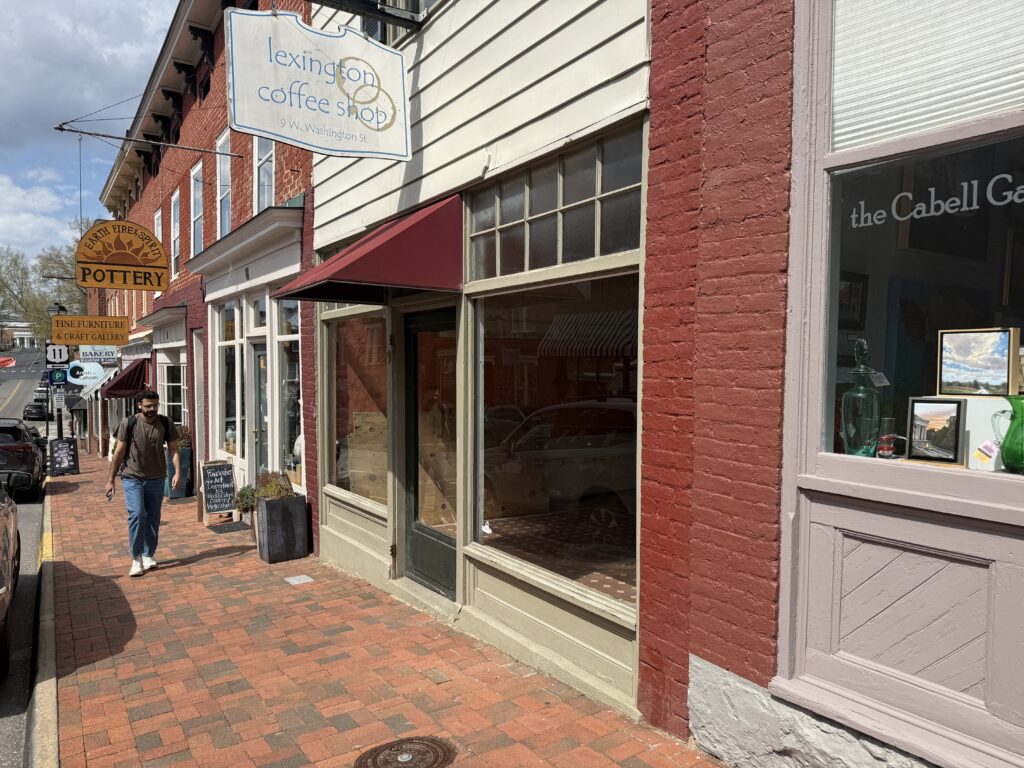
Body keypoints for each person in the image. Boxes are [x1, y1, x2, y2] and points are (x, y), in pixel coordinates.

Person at [104, 390, 180, 577]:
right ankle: (136, 558)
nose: (152, 409)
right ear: (140, 405)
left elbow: (174, 449)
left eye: (155, 405)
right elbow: (119, 452)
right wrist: (111, 479)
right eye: (148, 406)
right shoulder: (129, 423)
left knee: (153, 518)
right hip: (132, 476)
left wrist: (178, 471)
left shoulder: (165, 423)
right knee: (137, 514)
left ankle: (148, 554)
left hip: (156, 477)